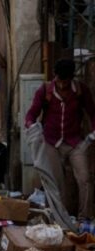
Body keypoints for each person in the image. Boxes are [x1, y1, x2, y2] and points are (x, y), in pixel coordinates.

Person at [25, 58, 95, 219]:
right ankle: (58, 219)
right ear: (55, 76)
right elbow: (31, 114)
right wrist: (30, 125)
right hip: (51, 142)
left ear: (71, 78)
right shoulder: (45, 91)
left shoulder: (80, 90)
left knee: (85, 179)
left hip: (75, 142)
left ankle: (84, 218)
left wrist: (92, 134)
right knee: (56, 183)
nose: (62, 85)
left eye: (66, 81)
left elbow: (92, 112)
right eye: (60, 80)